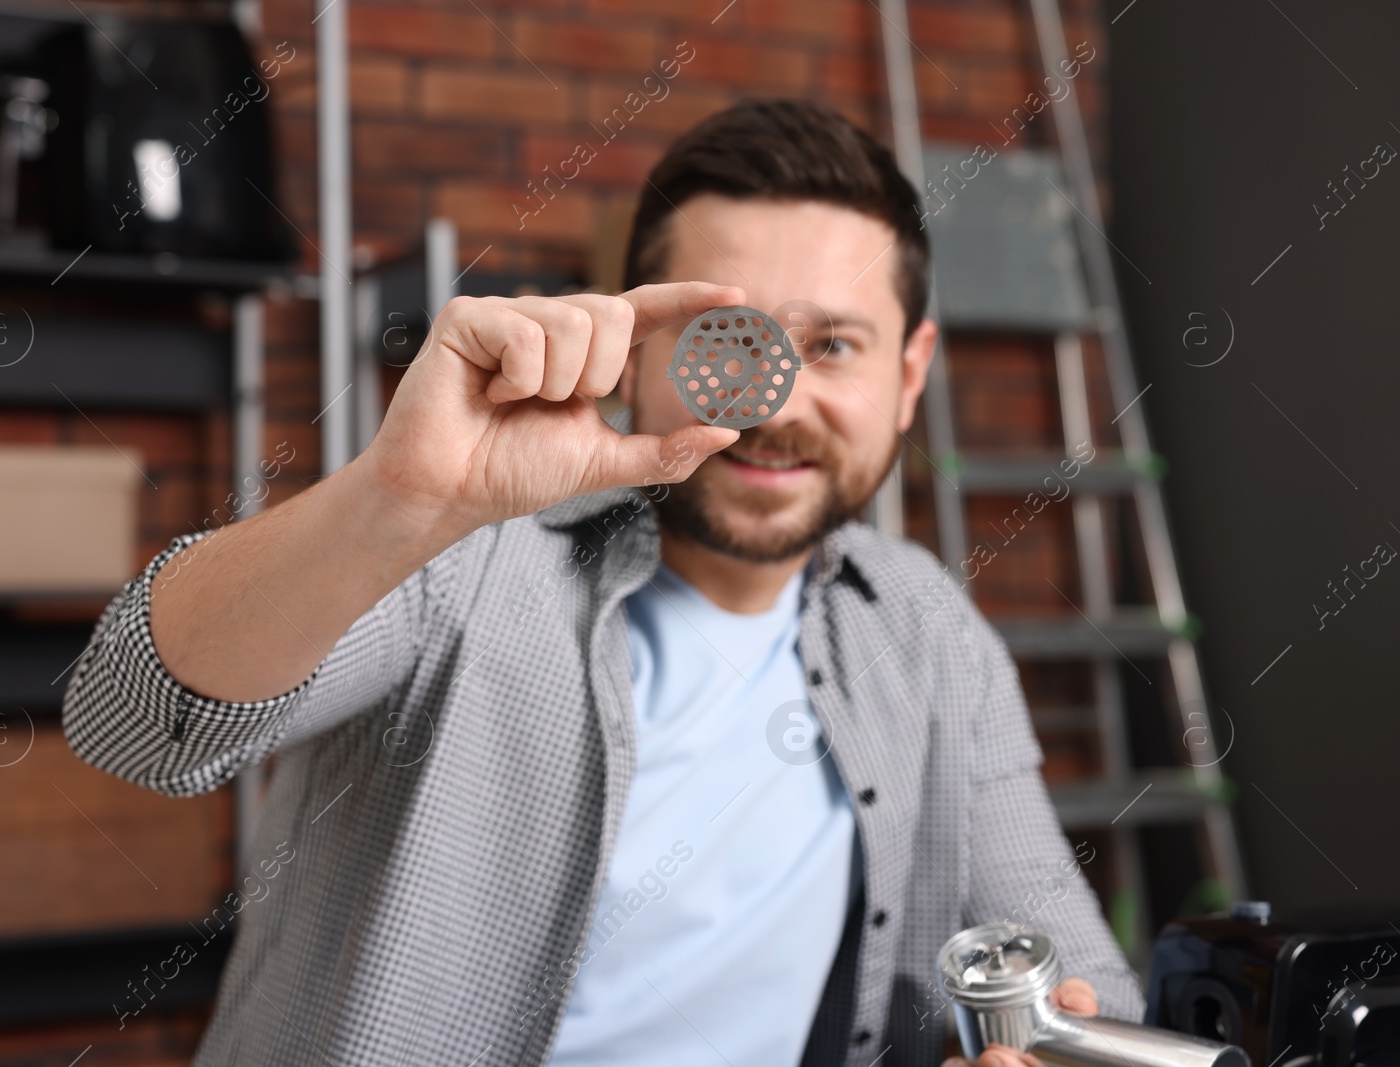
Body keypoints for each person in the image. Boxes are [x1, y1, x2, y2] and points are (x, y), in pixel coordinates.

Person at [63, 98, 1142, 1067]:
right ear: (637, 348)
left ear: (906, 378)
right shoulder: (462, 555)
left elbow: (1081, 978)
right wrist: (397, 498)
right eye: (738, 345)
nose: (771, 405)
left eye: (834, 345)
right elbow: (130, 724)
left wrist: (1056, 1051)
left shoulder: (924, 629)